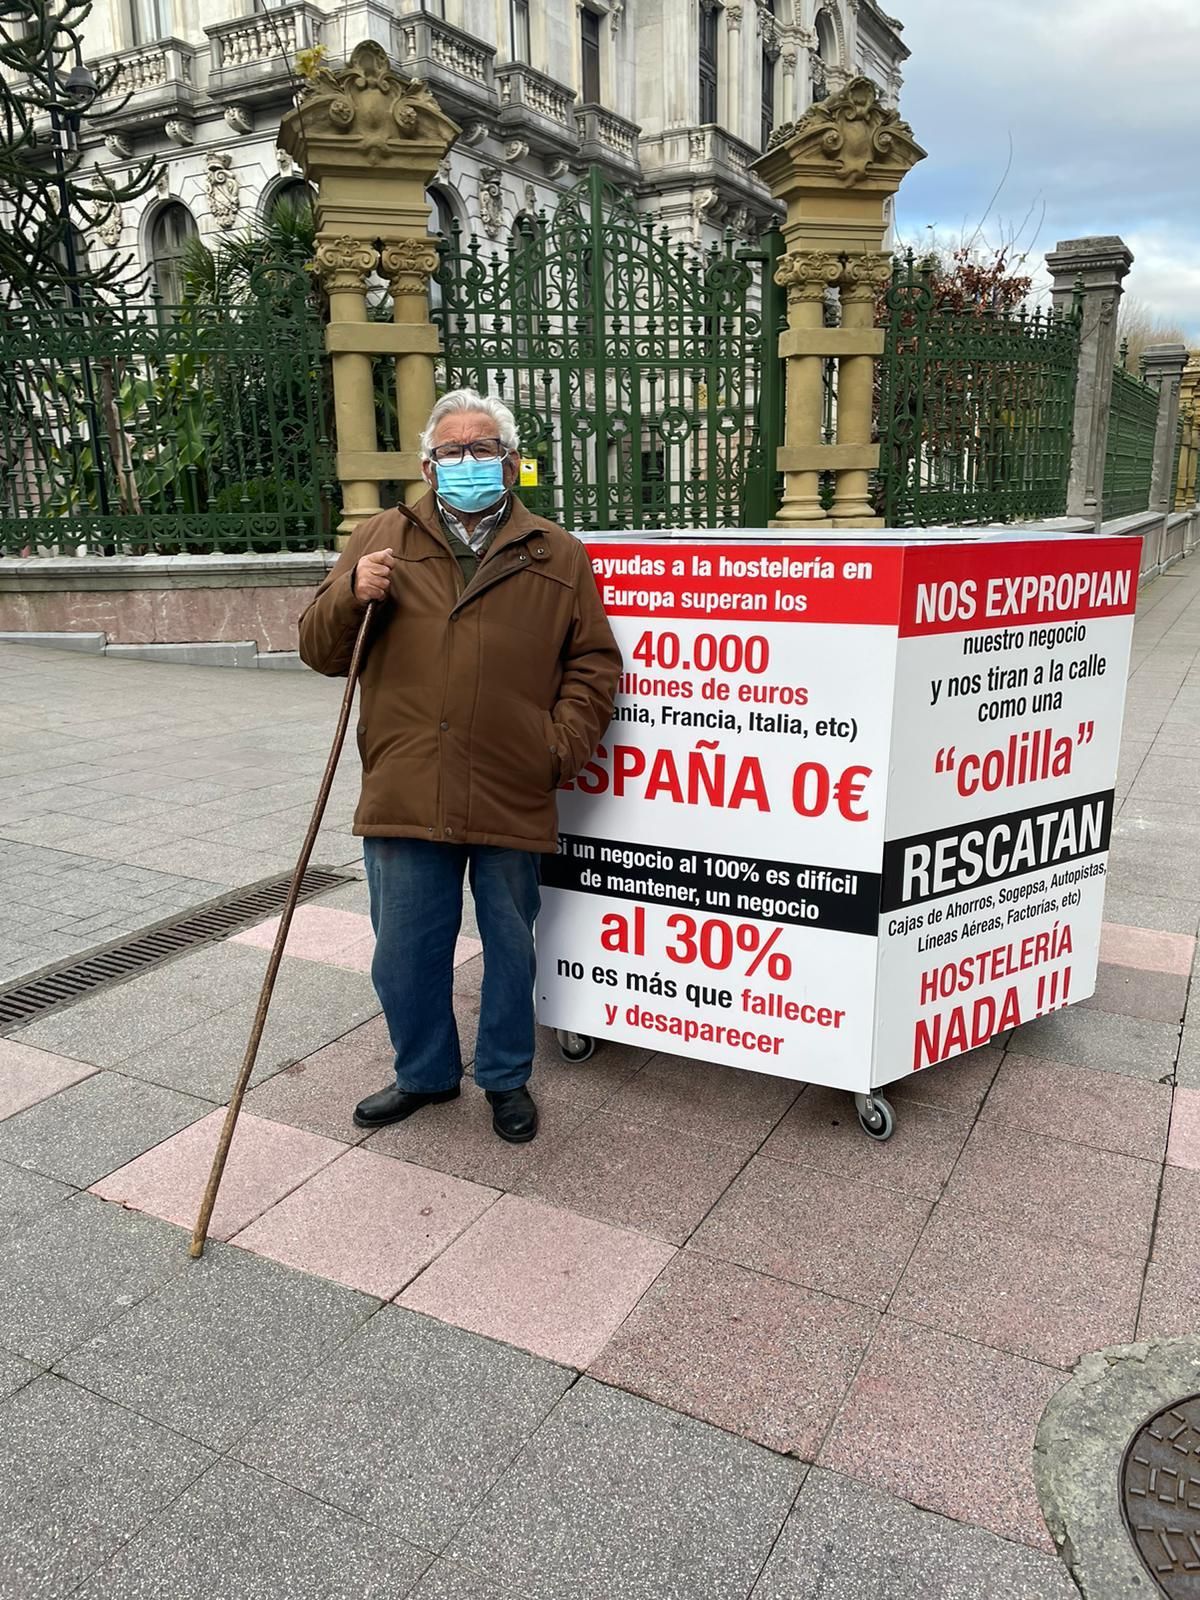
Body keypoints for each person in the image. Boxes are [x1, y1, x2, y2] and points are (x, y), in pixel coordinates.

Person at [297, 389, 620, 1143]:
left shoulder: (554, 550)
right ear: (426, 465)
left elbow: (593, 664)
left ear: (511, 463)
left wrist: (557, 747)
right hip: (408, 782)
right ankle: (425, 1074)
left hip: (511, 784)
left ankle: (505, 1078)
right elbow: (318, 649)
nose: (467, 463)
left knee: (511, 945)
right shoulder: (382, 537)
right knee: (405, 949)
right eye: (452, 453)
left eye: (483, 450)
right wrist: (351, 592)